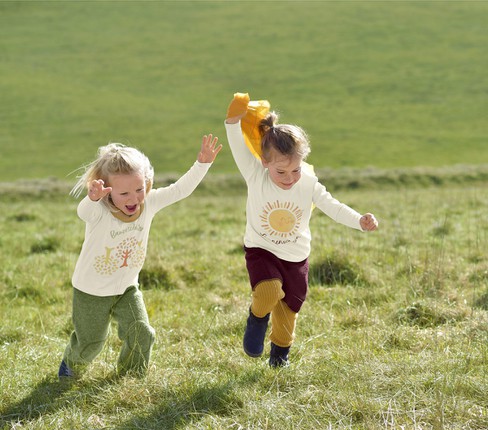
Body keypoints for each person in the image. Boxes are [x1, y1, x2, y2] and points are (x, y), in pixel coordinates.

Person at [225, 92, 378, 367]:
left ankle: (279, 358)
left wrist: (359, 221)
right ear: (265, 162)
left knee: (289, 309)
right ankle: (256, 320)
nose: (289, 178)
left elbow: (332, 205)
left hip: (296, 257)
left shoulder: (308, 182)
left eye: (295, 170)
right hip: (262, 250)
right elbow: (237, 143)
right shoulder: (254, 174)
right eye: (281, 172)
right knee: (268, 292)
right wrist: (233, 120)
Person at [58, 135, 222, 379]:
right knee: (91, 342)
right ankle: (71, 366)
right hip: (91, 291)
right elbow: (84, 211)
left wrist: (202, 164)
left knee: (142, 332)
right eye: (124, 193)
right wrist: (93, 198)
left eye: (139, 189)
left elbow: (180, 190)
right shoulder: (99, 210)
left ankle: (130, 377)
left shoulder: (150, 203)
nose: (133, 198)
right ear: (107, 190)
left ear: (146, 183)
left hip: (126, 287)